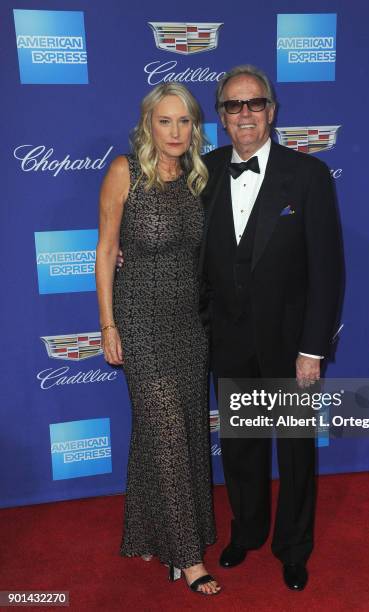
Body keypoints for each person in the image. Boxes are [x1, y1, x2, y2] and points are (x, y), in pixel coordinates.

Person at [200, 65, 343, 590]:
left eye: (254, 104)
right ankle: (248, 532)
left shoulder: (307, 176)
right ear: (220, 116)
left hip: (290, 345)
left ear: (272, 111)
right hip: (229, 338)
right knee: (241, 447)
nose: (245, 115)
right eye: (233, 106)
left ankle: (293, 546)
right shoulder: (206, 170)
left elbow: (327, 270)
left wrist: (312, 348)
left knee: (296, 449)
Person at [95, 83, 221, 595]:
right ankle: (187, 558)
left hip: (190, 322)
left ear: (195, 127)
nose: (175, 131)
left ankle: (150, 531)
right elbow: (105, 252)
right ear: (149, 124)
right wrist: (108, 324)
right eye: (165, 121)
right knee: (167, 429)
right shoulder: (125, 171)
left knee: (180, 430)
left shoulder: (201, 177)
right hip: (141, 319)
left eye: (184, 121)